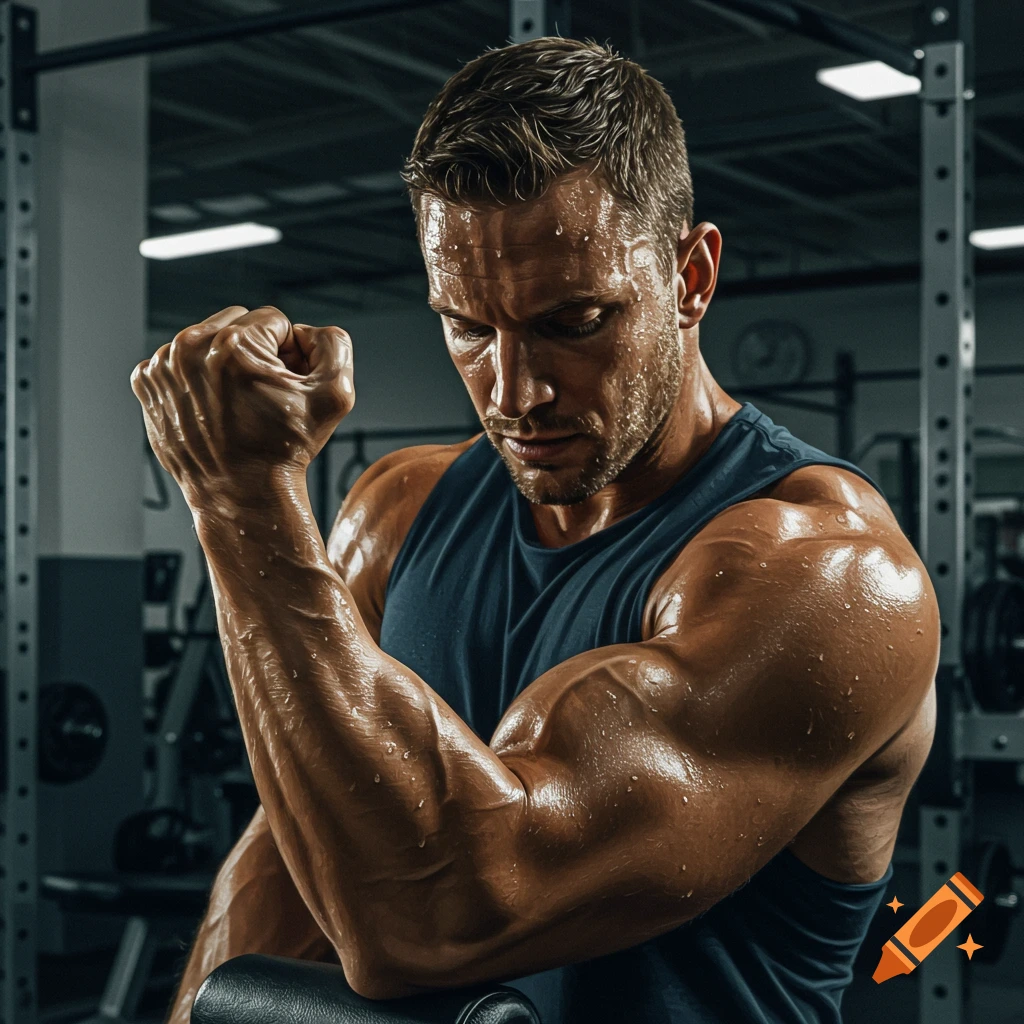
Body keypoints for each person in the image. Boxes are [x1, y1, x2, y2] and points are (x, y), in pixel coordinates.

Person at [133, 37, 938, 1024]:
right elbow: (299, 841)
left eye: (573, 321)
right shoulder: (399, 514)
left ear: (690, 276)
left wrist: (244, 505)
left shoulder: (832, 578)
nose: (514, 393)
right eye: (469, 327)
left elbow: (441, 912)